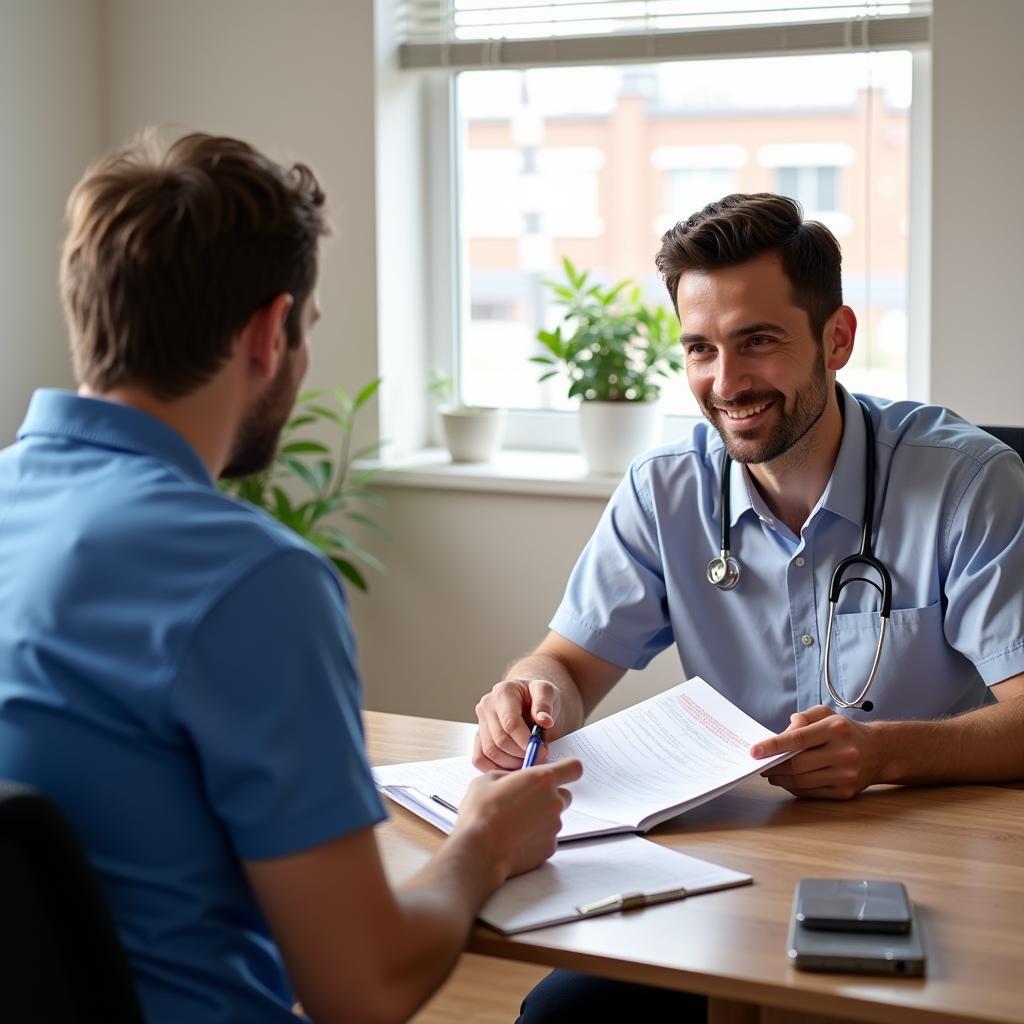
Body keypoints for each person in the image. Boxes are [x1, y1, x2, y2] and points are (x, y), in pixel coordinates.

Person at [0, 131, 582, 1024]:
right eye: (306, 332)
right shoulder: (248, 577)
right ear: (271, 333)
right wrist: (483, 844)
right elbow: (362, 989)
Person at [473, 193, 1024, 1021]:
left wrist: (880, 755)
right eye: (700, 348)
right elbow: (564, 663)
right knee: (559, 1019)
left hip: (927, 872)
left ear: (836, 339)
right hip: (729, 871)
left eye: (758, 342)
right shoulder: (666, 492)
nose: (726, 383)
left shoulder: (965, 483)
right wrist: (534, 693)